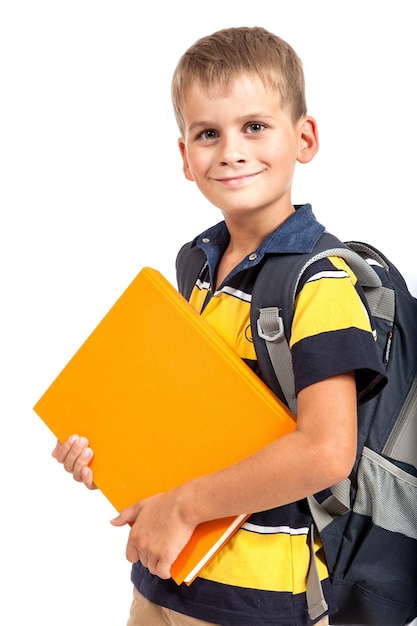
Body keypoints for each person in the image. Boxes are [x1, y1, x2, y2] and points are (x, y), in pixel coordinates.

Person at [52, 26, 386, 626]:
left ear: (304, 138)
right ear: (184, 155)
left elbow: (327, 451)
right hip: (165, 575)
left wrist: (184, 506)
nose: (231, 150)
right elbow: (188, 420)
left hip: (255, 599)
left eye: (254, 126)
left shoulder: (320, 283)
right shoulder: (196, 264)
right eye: (208, 133)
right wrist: (107, 451)